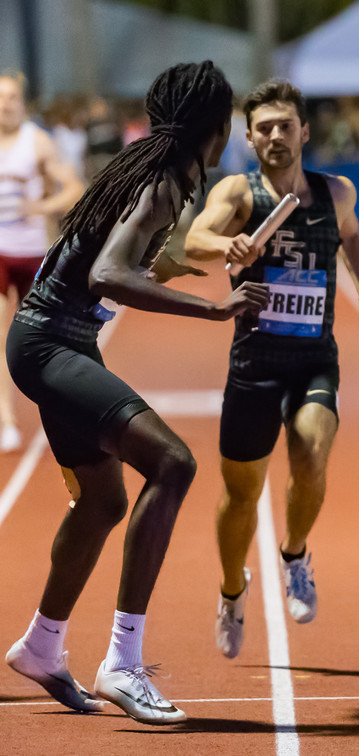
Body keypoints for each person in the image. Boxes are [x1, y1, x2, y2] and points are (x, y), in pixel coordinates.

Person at [3, 61, 270, 725]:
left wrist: (195, 260)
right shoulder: (163, 180)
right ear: (217, 127)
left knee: (102, 501)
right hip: (50, 344)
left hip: (55, 341)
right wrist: (211, 310)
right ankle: (123, 663)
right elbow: (110, 273)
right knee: (173, 462)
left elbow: (131, 259)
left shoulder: (154, 171)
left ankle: (42, 646)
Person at [183, 79, 359, 660]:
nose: (276, 135)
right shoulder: (239, 194)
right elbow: (193, 236)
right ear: (249, 137)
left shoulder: (335, 192)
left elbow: (352, 239)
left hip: (314, 357)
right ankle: (230, 590)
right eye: (264, 127)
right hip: (255, 360)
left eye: (285, 125)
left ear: (304, 131)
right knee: (241, 493)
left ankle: (295, 553)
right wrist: (228, 247)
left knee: (311, 451)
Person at [0, 70, 84, 452]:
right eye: (0, 99)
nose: (5, 105)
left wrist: (43, 206)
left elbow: (74, 189)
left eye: (12, 98)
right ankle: (6, 419)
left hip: (33, 250)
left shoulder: (38, 143)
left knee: (43, 338)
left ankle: (62, 412)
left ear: (23, 102)